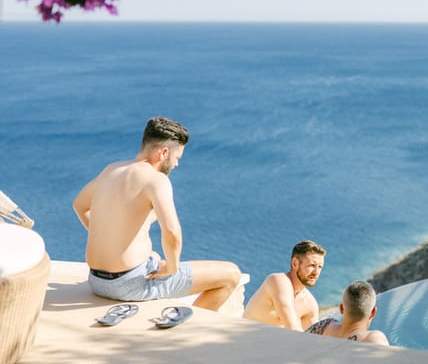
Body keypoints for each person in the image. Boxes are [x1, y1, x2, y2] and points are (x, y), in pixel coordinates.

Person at [73, 116, 242, 311]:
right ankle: (184, 326)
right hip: (128, 285)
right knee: (231, 275)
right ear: (163, 153)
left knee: (152, 254)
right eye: (177, 158)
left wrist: (109, 240)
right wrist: (172, 267)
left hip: (96, 280)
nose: (176, 164)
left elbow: (80, 205)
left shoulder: (112, 170)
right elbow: (171, 232)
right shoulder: (156, 180)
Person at [243, 240, 325, 330]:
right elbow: (293, 330)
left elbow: (311, 339)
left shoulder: (310, 304)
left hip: (271, 342)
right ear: (295, 263)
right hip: (244, 341)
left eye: (320, 267)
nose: (316, 272)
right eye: (312, 265)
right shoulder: (278, 281)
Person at [305, 281, 389, 345]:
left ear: (341, 308)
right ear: (373, 312)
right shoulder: (373, 339)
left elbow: (297, 343)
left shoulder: (324, 327)